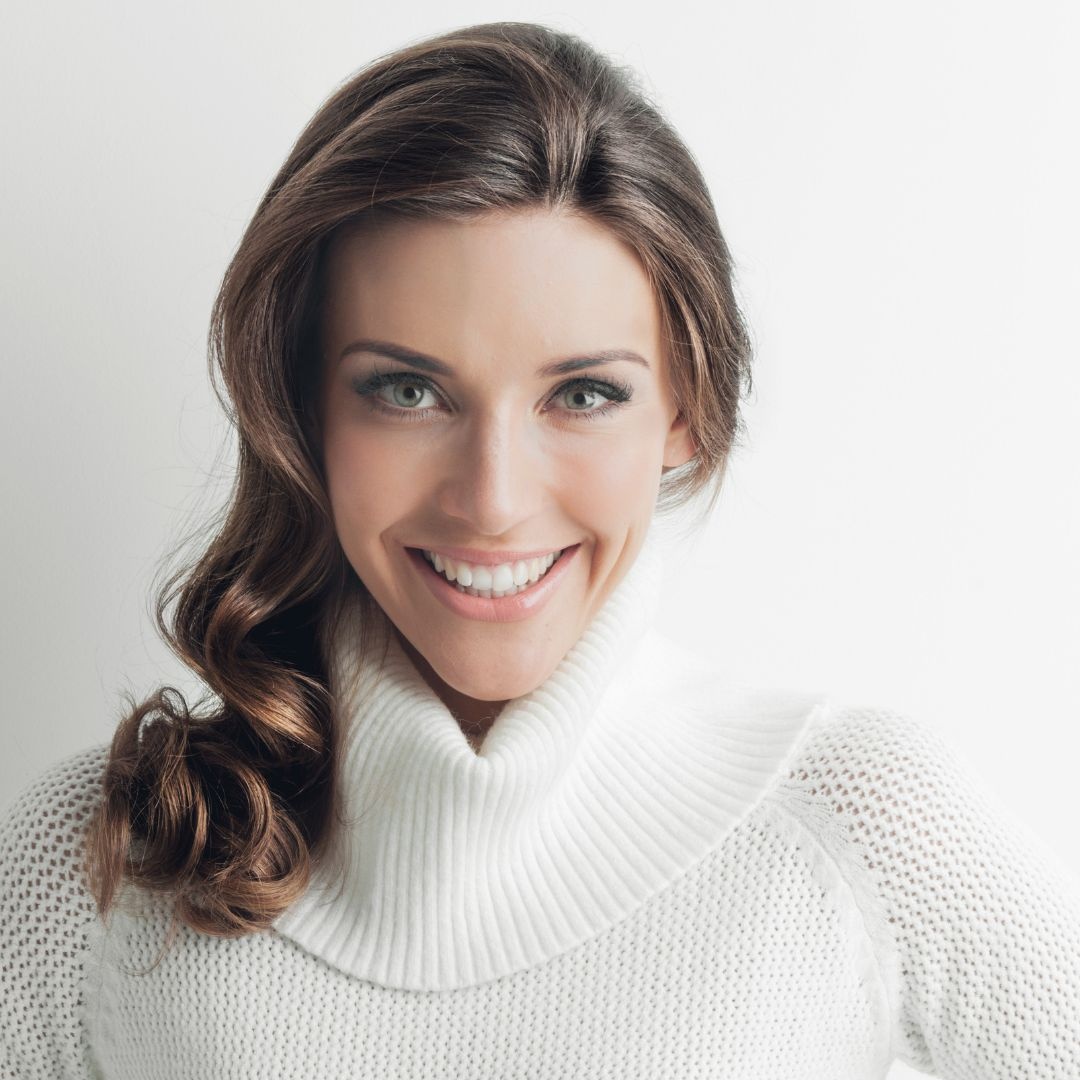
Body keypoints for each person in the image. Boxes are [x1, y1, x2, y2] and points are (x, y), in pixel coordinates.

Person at [1, 20, 1078, 1080]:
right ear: (302, 406)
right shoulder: (100, 866)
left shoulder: (858, 831)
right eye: (408, 390)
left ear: (684, 409)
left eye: (584, 394)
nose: (493, 501)